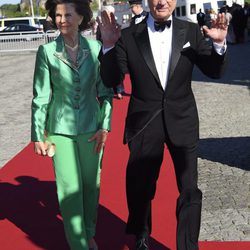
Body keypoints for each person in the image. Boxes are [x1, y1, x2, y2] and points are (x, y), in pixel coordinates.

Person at [97, 0, 228, 249]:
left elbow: (214, 71)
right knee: (140, 186)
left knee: (189, 189)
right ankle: (142, 235)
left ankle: (188, 246)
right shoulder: (128, 36)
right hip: (145, 121)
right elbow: (111, 78)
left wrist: (219, 44)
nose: (161, 2)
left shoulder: (190, 32)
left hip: (183, 120)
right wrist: (109, 46)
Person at [31, 0, 113, 249]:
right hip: (60, 131)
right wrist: (37, 134)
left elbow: (106, 92)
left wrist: (104, 126)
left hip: (91, 127)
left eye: (68, 14)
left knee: (90, 185)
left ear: (81, 18)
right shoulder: (46, 52)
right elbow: (41, 96)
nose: (62, 19)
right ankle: (78, 244)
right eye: (57, 15)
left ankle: (88, 232)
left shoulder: (96, 48)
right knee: (69, 189)